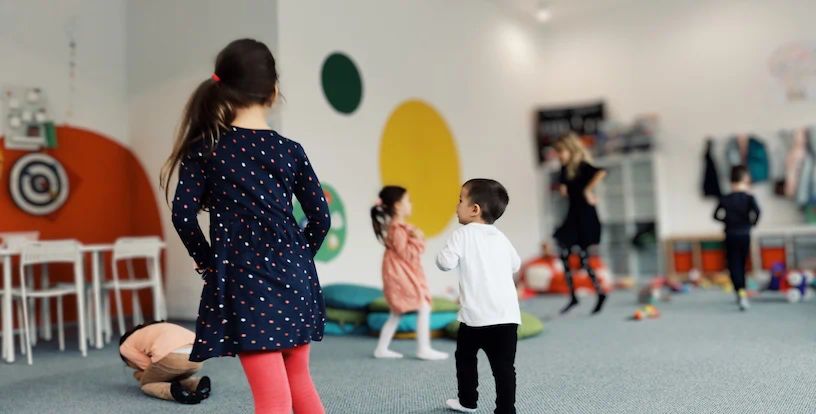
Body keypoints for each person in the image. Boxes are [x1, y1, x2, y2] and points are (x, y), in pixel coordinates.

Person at [161, 39, 330, 414]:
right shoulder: (290, 149)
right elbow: (321, 218)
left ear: (223, 88)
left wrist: (208, 262)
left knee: (272, 398)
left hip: (245, 278)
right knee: (299, 380)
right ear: (273, 92)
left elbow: (183, 216)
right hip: (296, 276)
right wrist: (299, 257)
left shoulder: (206, 148)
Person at [437, 179, 521, 414]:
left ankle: (468, 401)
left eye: (460, 200)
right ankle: (506, 410)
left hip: (475, 318)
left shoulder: (462, 235)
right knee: (504, 367)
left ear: (474, 209)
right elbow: (516, 265)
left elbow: (445, 263)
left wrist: (442, 255)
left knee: (465, 358)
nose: (456, 206)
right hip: (507, 316)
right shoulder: (501, 237)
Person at [370, 186, 449, 361]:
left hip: (400, 272)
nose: (411, 204)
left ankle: (381, 348)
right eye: (408, 201)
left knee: (397, 312)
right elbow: (406, 254)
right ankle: (423, 348)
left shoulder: (399, 228)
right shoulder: (398, 229)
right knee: (423, 306)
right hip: (400, 275)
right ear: (398, 206)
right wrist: (418, 238)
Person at [552, 133, 608, 315]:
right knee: (564, 253)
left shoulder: (582, 166)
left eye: (561, 151)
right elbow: (563, 187)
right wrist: (564, 187)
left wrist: (587, 190)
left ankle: (599, 293)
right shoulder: (565, 168)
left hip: (585, 216)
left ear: (571, 149)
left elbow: (601, 172)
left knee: (583, 257)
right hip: (572, 215)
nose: (558, 155)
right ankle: (574, 296)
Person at [119, 321, 211, 404]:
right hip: (197, 356)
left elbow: (149, 366)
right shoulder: (154, 328)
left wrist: (140, 375)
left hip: (173, 356)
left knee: (146, 383)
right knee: (172, 375)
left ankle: (173, 392)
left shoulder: (124, 347)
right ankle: (197, 384)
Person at [714, 165, 761, 311]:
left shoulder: (726, 198)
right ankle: (743, 291)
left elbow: (715, 215)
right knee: (743, 262)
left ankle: (739, 290)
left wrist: (726, 221)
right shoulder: (749, 197)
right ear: (744, 178)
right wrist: (751, 224)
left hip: (730, 234)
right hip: (744, 234)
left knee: (734, 264)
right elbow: (758, 212)